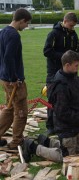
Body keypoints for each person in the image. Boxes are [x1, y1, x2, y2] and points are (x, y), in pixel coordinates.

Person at [22, 50, 79, 162]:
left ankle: (47, 142)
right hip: (66, 127)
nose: (78, 68)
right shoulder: (61, 86)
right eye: (76, 66)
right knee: (67, 158)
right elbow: (63, 114)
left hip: (74, 125)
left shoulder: (71, 76)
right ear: (67, 65)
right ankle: (33, 147)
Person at [43, 12, 79, 135]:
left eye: (73, 26)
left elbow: (77, 49)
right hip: (54, 71)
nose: (71, 28)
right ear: (64, 21)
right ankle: (50, 125)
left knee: (68, 97)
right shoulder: (54, 34)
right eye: (70, 25)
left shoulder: (73, 35)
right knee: (52, 97)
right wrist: (64, 57)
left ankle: (67, 122)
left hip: (69, 72)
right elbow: (47, 51)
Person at [0, 8, 32, 149]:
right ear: (21, 20)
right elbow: (8, 57)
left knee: (9, 108)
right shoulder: (13, 35)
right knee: (21, 111)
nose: (26, 26)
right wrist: (14, 78)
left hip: (4, 78)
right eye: (26, 23)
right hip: (13, 80)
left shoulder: (2, 32)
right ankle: (16, 141)